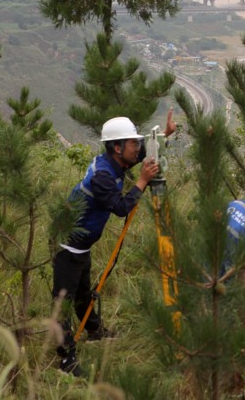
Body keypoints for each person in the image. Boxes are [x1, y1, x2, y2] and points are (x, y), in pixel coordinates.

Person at [52, 111, 176, 375]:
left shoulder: (116, 162)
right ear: (117, 147)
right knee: (63, 302)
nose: (138, 148)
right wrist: (142, 181)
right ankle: (66, 360)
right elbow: (120, 207)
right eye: (133, 143)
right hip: (67, 246)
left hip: (81, 246)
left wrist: (165, 135)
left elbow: (144, 154)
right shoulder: (103, 176)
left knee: (83, 294)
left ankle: (95, 331)